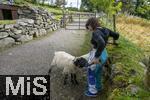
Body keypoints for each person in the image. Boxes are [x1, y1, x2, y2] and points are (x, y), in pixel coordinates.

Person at [84, 17, 119, 97]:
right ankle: (98, 87)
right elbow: (116, 35)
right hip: (104, 54)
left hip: (98, 54)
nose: (88, 28)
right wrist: (114, 39)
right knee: (98, 72)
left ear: (91, 24)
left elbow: (102, 43)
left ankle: (92, 91)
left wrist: (96, 57)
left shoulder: (95, 32)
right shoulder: (105, 29)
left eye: (88, 26)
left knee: (91, 72)